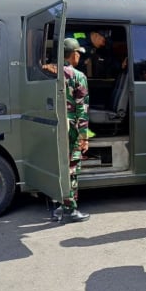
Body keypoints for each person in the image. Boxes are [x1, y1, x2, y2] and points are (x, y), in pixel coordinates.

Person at [52, 38, 90, 223]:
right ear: (73, 54)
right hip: (71, 130)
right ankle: (70, 209)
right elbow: (82, 109)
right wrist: (84, 137)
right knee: (72, 169)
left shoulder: (50, 72)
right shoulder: (78, 76)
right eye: (78, 53)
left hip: (53, 127)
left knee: (57, 168)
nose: (79, 57)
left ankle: (58, 206)